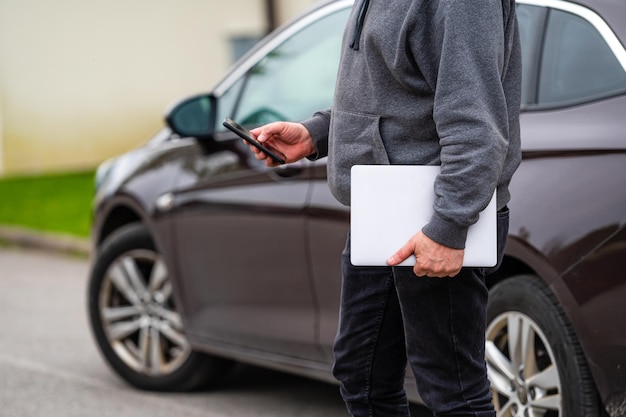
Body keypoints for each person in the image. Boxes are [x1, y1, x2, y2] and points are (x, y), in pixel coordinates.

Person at [248, 0, 521, 415]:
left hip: (434, 215)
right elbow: (391, 94)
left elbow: (475, 124)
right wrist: (317, 133)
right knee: (362, 375)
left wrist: (448, 227)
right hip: (383, 210)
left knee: (452, 391)